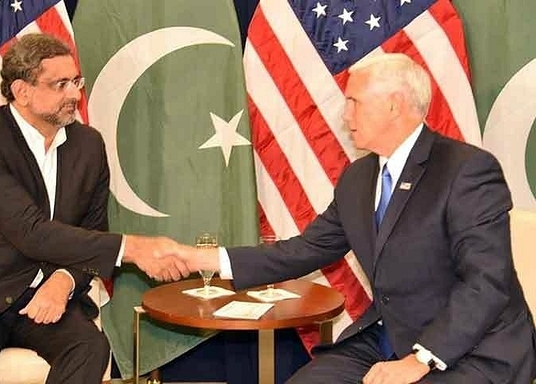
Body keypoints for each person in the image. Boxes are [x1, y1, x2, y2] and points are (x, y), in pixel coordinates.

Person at [178, 53, 536, 383]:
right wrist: (205, 259)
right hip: (389, 339)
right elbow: (305, 250)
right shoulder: (358, 178)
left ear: (394, 105)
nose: (345, 115)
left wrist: (421, 359)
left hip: (469, 350)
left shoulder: (466, 171)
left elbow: (486, 283)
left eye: (354, 102)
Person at [0, 33, 189, 384]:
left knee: (91, 349)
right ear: (22, 91)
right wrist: (132, 248)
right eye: (60, 84)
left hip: (48, 299)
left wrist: (63, 281)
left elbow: (93, 232)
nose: (75, 95)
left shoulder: (88, 145)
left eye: (76, 81)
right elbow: (30, 232)